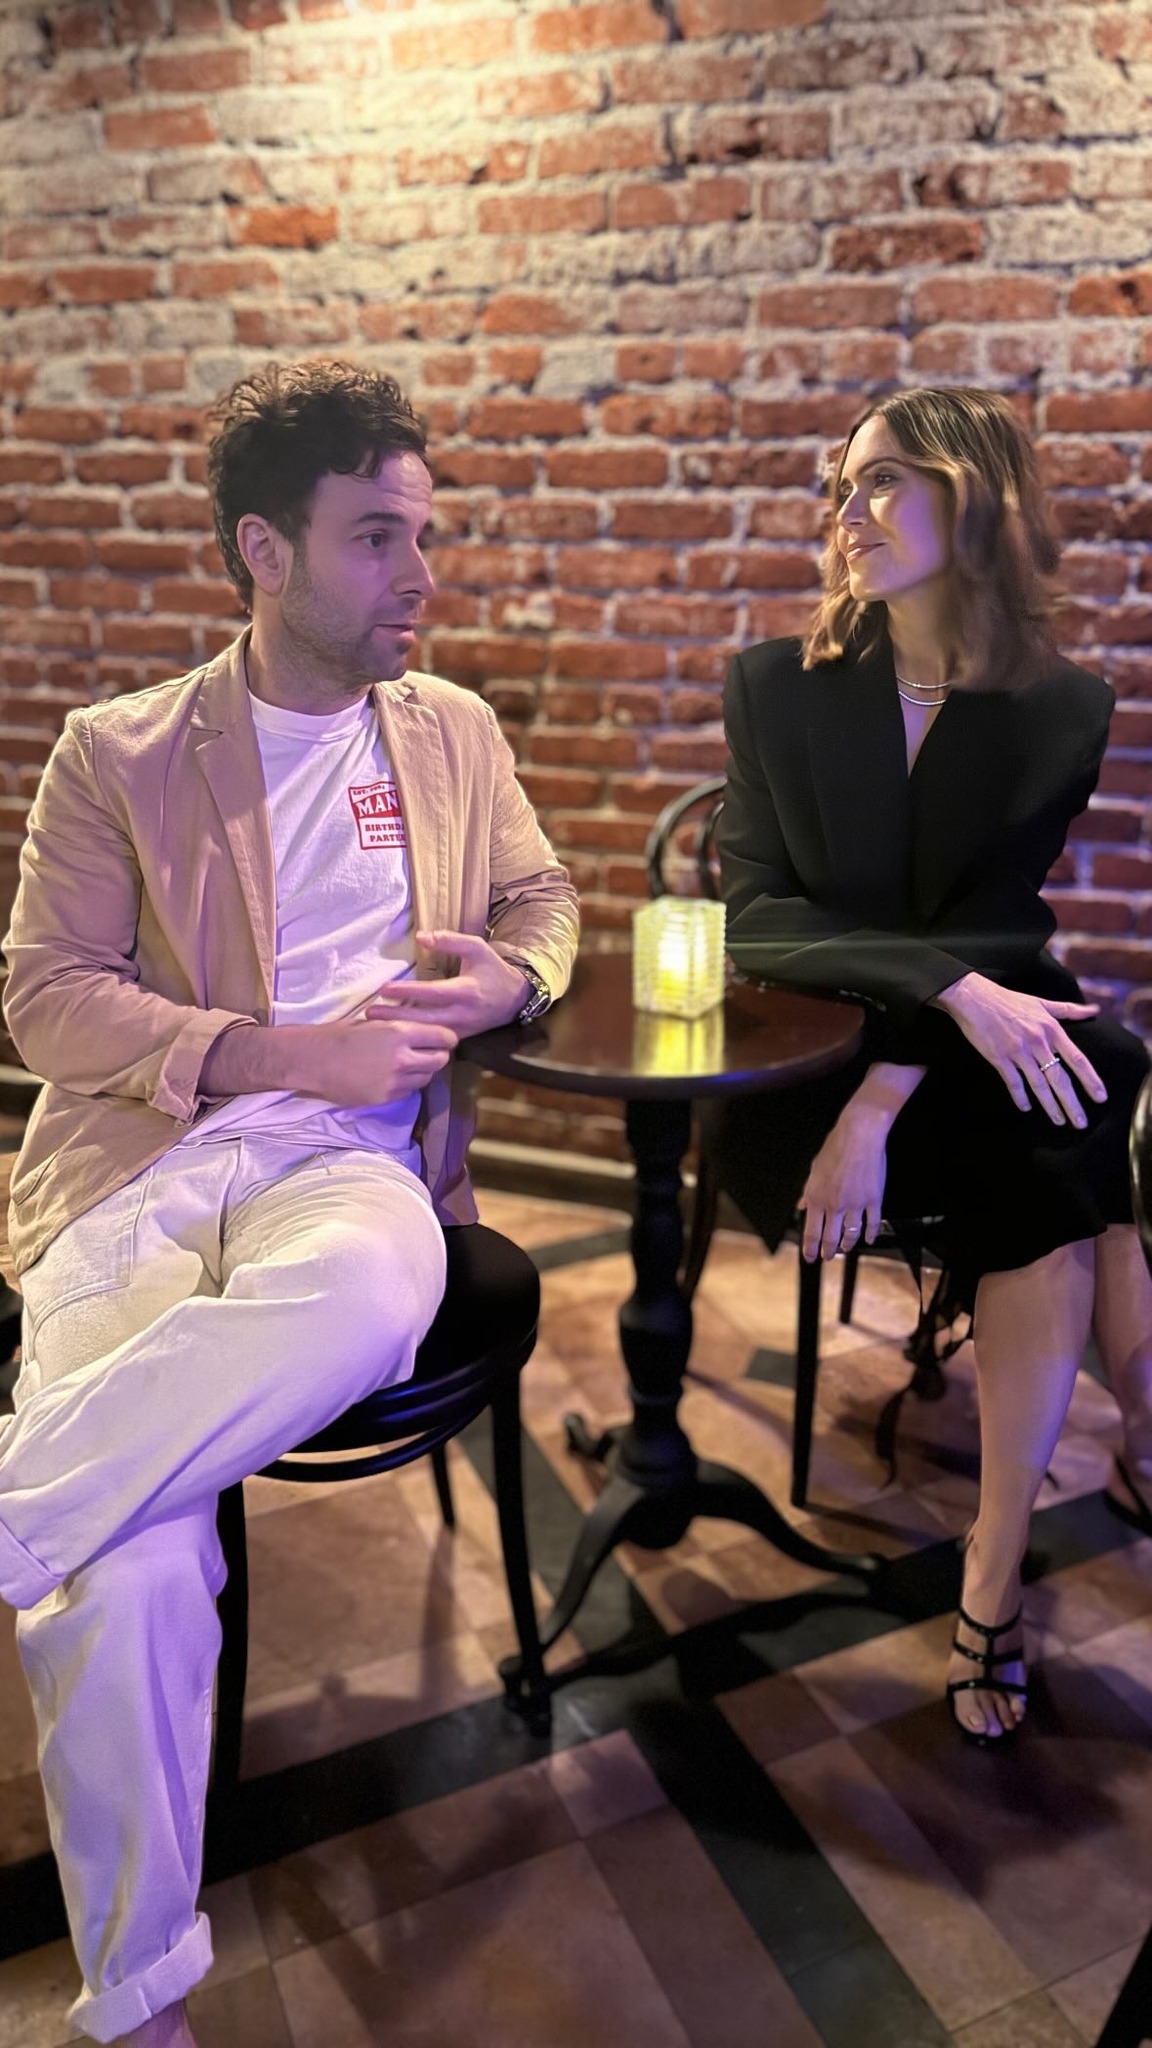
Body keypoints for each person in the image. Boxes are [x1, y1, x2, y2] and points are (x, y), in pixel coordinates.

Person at [0, 360, 579, 2047]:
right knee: (128, 1572)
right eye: (376, 538)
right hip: (139, 1163)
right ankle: (142, 2004)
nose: (421, 575)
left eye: (425, 535)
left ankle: (15, 1513)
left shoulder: (454, 731)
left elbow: (542, 897)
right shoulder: (118, 753)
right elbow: (42, 1000)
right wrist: (272, 1053)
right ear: (263, 551)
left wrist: (511, 979)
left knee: (374, 1291)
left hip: (352, 1176)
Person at [710, 385, 1152, 1750]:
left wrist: (894, 1090)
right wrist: (932, 1013)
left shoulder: (1062, 706)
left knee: (1074, 1118)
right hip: (813, 1055)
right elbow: (760, 921)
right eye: (842, 485)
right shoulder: (775, 687)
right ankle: (1142, 1433)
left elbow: (994, 916)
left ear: (978, 500)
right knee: (1076, 1161)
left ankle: (992, 1573)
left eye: (886, 480)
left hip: (971, 1038)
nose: (850, 512)